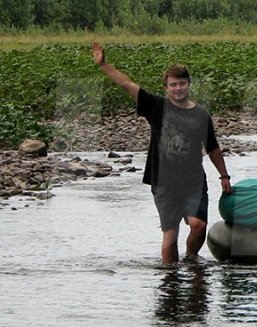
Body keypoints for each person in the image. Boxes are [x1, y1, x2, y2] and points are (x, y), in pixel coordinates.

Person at [92, 42, 232, 265]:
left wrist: (224, 176)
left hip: (193, 181)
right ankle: (170, 278)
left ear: (189, 85)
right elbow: (127, 84)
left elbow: (213, 148)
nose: (178, 88)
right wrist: (103, 64)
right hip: (164, 182)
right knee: (170, 234)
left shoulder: (200, 115)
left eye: (182, 84)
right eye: (173, 85)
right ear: (166, 88)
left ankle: (191, 259)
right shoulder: (156, 106)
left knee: (199, 226)